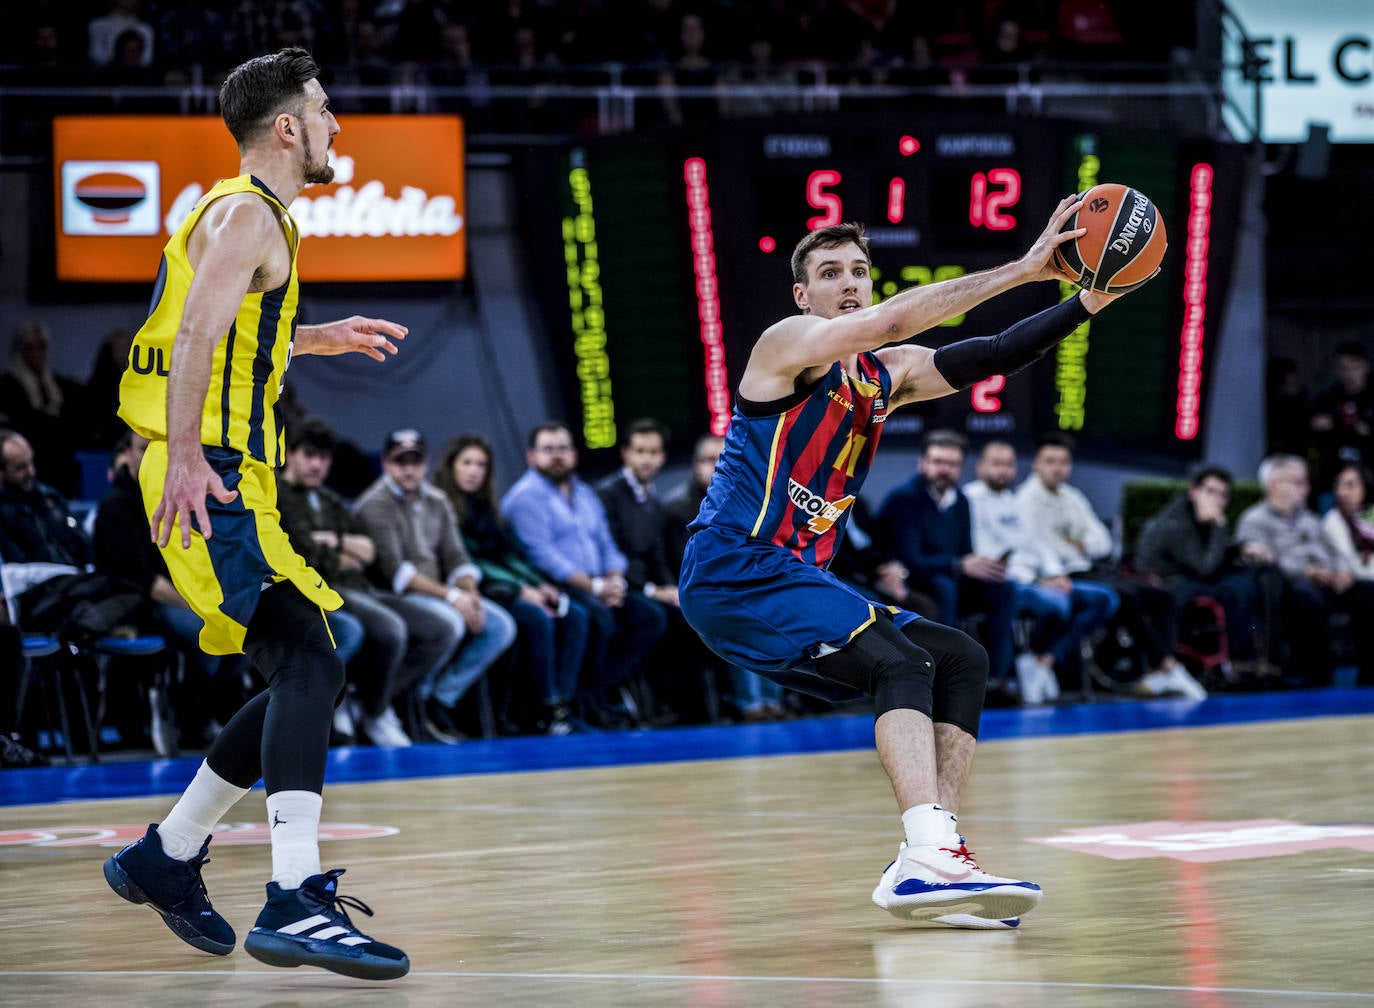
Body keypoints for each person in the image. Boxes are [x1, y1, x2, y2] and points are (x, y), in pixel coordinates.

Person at [677, 205, 1148, 930]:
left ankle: (933, 860)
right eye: (829, 273)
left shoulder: (884, 378)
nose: (849, 284)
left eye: (860, 271)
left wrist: (1085, 300)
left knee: (959, 657)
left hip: (794, 580)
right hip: (734, 567)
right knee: (900, 660)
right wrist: (1026, 268)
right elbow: (892, 325)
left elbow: (992, 352)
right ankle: (927, 856)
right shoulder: (785, 346)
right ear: (803, 295)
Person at [102, 48, 410, 981]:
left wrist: (318, 335)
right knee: (310, 657)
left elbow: (231, 325)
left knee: (301, 669)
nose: (335, 125)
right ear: (287, 127)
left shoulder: (239, 212)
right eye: (323, 110)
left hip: (228, 470)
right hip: (214, 473)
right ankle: (293, 896)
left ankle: (170, 852)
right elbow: (195, 331)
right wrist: (189, 456)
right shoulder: (247, 212)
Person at [277, 418, 460, 749]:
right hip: (317, 591)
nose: (317, 464)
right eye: (309, 454)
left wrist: (331, 541)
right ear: (289, 454)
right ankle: (371, 711)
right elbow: (302, 553)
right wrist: (341, 548)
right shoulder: (278, 495)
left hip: (359, 587)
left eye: (323, 457)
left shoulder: (330, 499)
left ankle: (370, 702)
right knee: (390, 629)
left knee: (442, 629)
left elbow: (368, 551)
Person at [351, 428, 518, 742]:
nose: (409, 469)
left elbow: (457, 557)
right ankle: (408, 700)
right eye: (401, 461)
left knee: (500, 627)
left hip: (439, 592)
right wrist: (453, 596)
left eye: (415, 461)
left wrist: (469, 593)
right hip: (391, 595)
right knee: (450, 623)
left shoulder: (437, 500)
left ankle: (440, 698)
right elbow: (396, 573)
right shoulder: (374, 504)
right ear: (386, 464)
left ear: (426, 464)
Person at [501, 421, 667, 728]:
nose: (557, 456)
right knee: (596, 619)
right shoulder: (524, 498)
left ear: (574, 454)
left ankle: (595, 691)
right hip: (556, 584)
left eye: (563, 448)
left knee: (649, 618)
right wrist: (595, 586)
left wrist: (615, 578)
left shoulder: (585, 493)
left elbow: (607, 544)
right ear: (531, 456)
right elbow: (542, 556)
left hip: (599, 582)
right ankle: (570, 703)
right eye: (548, 450)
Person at [1018, 432, 1200, 698]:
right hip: (1062, 575)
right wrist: (1074, 546)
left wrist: (1081, 545)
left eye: (1064, 462)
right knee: (1126, 596)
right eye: (1050, 461)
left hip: (1091, 569)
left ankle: (1159, 670)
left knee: (1161, 596)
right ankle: (1167, 666)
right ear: (1036, 464)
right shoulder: (1026, 500)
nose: (1058, 468)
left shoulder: (1073, 497)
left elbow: (1101, 542)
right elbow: (1038, 546)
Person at [432, 432, 592, 736]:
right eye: (467, 463)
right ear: (451, 466)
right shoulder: (443, 507)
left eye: (481, 464)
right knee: (535, 618)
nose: (474, 470)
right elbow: (469, 562)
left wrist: (538, 584)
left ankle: (562, 705)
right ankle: (545, 706)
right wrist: (521, 589)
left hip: (506, 585)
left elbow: (509, 554)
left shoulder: (486, 507)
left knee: (575, 615)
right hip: (478, 588)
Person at [964, 439, 1118, 705]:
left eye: (1009, 464)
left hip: (1037, 580)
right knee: (1058, 602)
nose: (1003, 470)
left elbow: (1037, 544)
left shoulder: (1012, 501)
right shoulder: (969, 499)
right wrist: (1038, 580)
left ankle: (1042, 660)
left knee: (1104, 599)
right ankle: (1020, 669)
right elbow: (988, 555)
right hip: (1009, 583)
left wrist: (1055, 574)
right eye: (996, 464)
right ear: (980, 467)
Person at [877, 429, 1019, 701]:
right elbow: (911, 559)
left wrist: (981, 566)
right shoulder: (904, 499)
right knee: (945, 586)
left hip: (950, 578)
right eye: (938, 462)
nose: (945, 470)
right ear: (922, 463)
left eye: (952, 464)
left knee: (1004, 589)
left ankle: (997, 680)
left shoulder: (961, 501)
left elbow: (965, 553)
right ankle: (946, 677)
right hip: (912, 583)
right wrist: (958, 565)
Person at [1237, 454, 1374, 685]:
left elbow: (1335, 553)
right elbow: (1265, 561)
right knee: (1306, 594)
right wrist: (1306, 571)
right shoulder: (1254, 520)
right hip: (1292, 587)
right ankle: (1320, 674)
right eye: (1297, 482)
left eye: (1304, 482)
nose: (1304, 489)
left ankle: (1369, 673)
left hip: (1328, 582)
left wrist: (1343, 572)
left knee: (1368, 592)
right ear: (1274, 485)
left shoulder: (1309, 519)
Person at [1134, 465, 1264, 681]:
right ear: (1194, 492)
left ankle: (1243, 661)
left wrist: (1243, 548)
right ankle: (1229, 662)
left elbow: (1211, 557)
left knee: (1243, 584)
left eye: (1222, 494)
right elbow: (1204, 566)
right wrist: (1220, 526)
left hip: (1191, 577)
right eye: (1210, 491)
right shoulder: (1176, 522)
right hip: (1166, 583)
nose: (1217, 500)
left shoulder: (1203, 520)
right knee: (1233, 590)